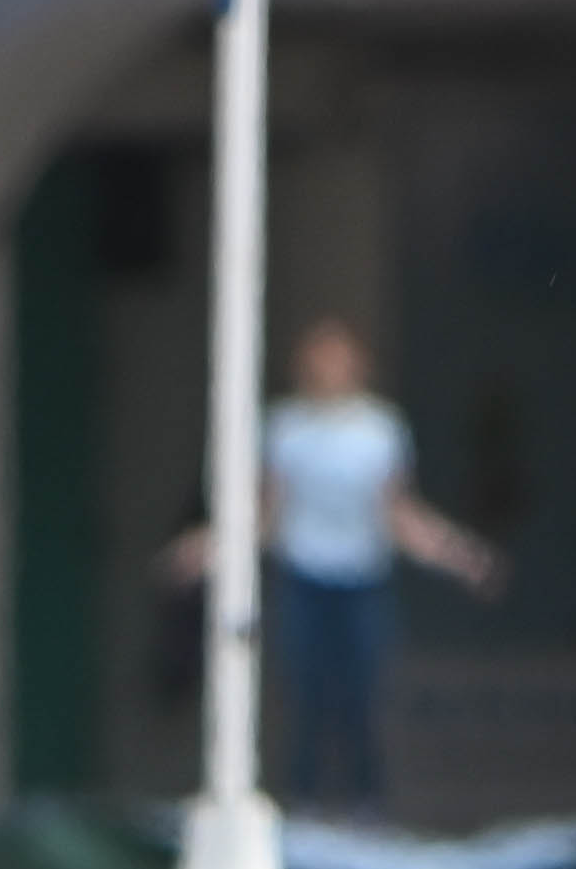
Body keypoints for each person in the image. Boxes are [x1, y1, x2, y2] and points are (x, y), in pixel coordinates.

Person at [185, 312, 501, 814]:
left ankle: (366, 804)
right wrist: (211, 547)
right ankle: (303, 804)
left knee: (362, 695)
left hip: (362, 582)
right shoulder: (285, 429)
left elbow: (399, 514)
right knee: (305, 695)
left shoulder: (380, 430)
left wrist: (459, 555)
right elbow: (267, 514)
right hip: (304, 579)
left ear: (357, 366)